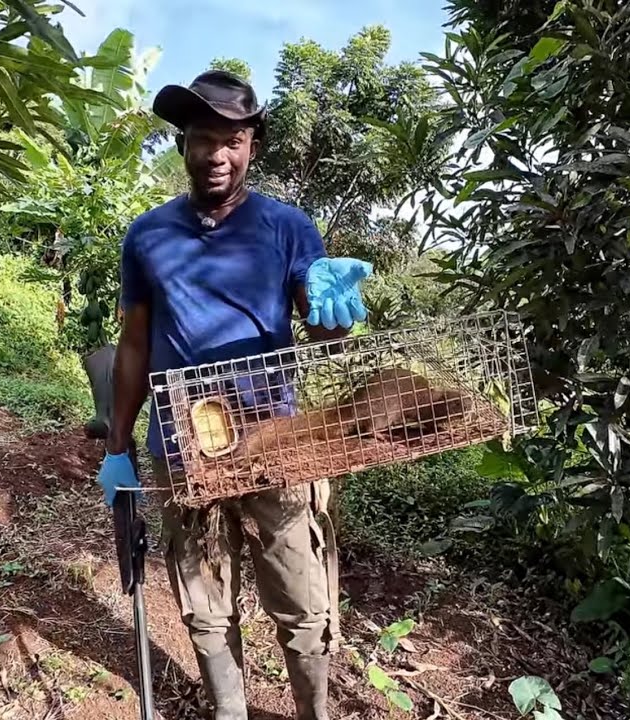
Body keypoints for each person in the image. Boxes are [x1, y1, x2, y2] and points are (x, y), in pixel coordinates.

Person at [94, 70, 372, 720]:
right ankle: (230, 711)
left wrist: (338, 311)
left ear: (252, 145)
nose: (216, 155)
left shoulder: (287, 227)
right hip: (183, 449)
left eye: (231, 141)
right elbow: (133, 345)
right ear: (183, 144)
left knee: (301, 606)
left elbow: (323, 326)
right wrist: (118, 445)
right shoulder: (149, 236)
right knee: (204, 602)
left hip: (274, 444)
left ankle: (313, 712)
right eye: (201, 139)